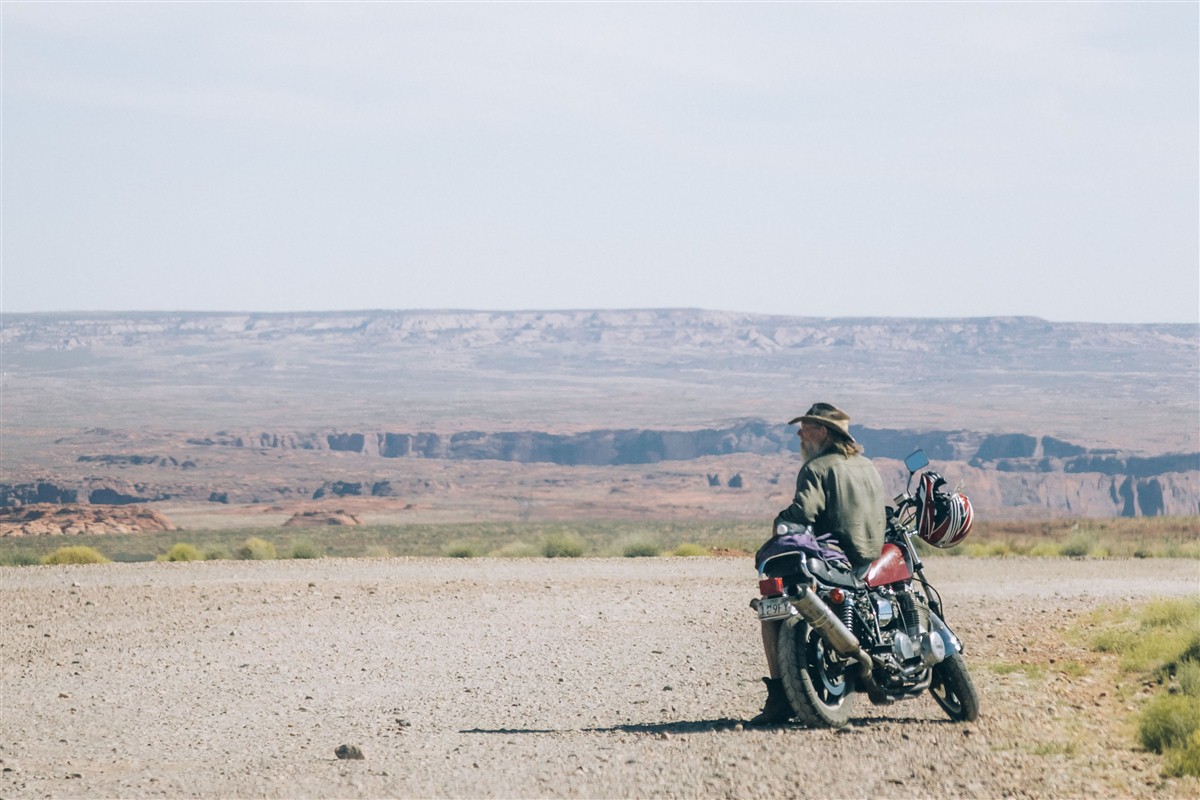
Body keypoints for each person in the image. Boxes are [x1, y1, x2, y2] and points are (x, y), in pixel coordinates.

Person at [749, 402, 887, 726]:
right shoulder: (868, 466)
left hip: (837, 563)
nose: (799, 433)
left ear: (823, 432)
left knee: (772, 605)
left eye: (806, 427)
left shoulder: (817, 469)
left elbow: (803, 513)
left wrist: (779, 524)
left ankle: (780, 696)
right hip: (871, 561)